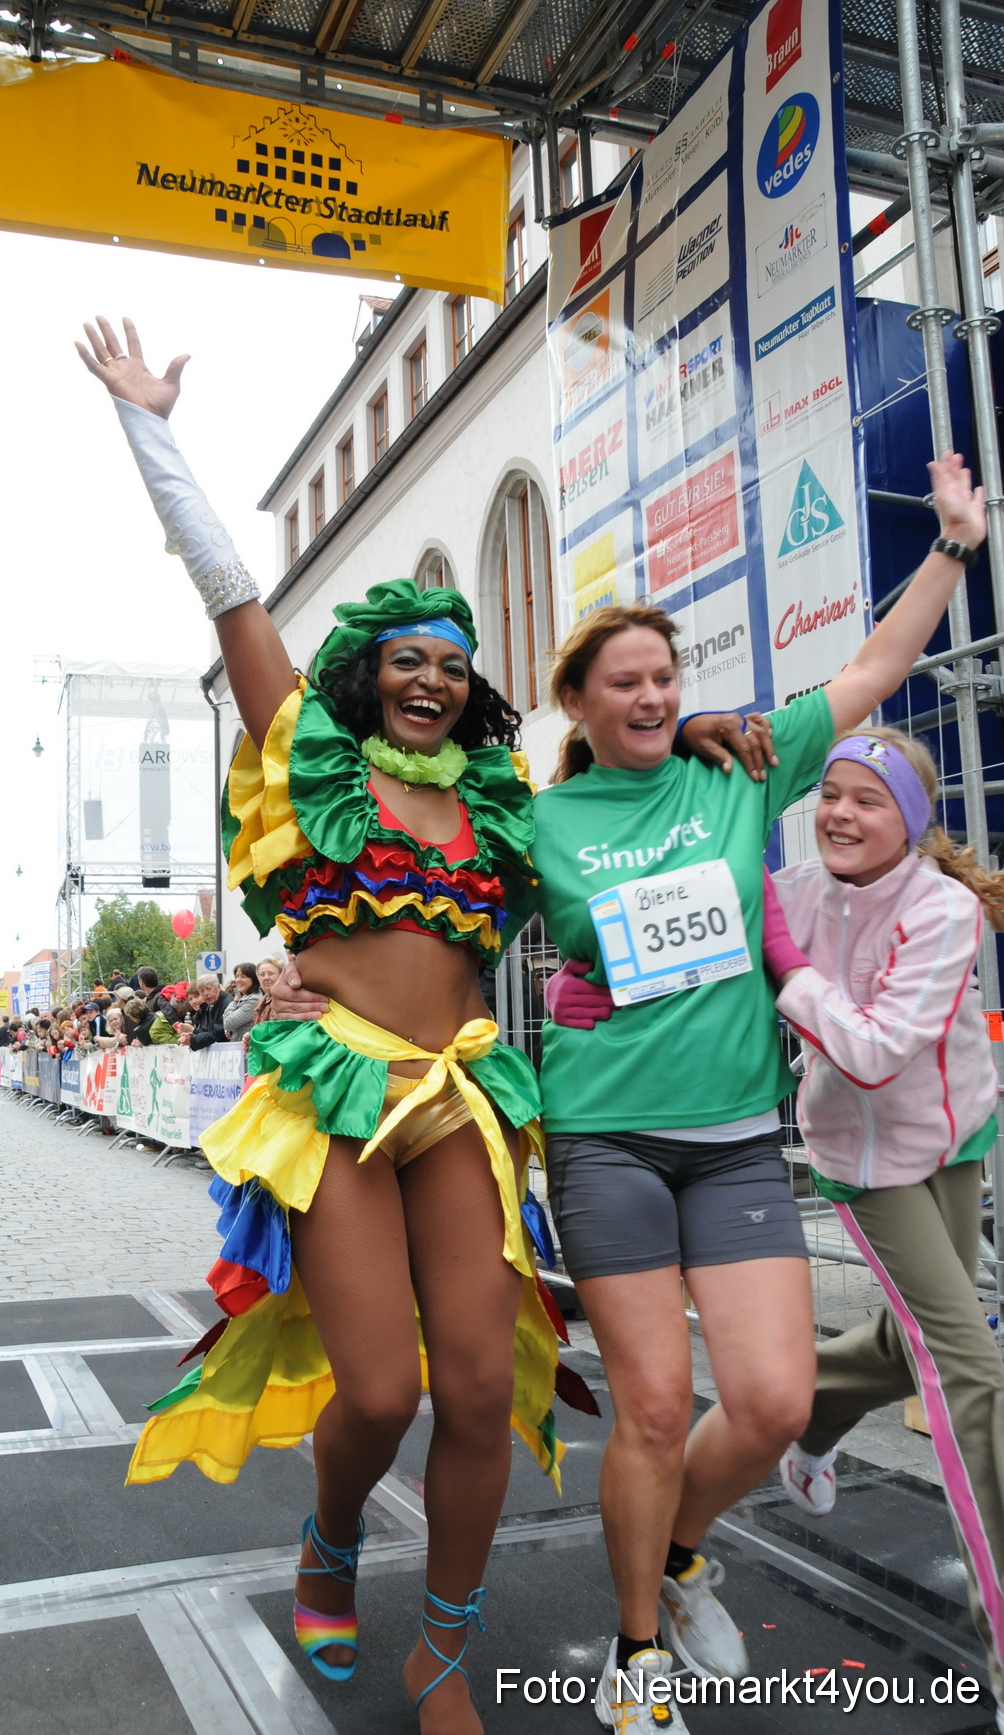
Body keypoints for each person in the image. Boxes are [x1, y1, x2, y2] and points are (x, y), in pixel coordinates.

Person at [76, 315, 772, 1732]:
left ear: (474, 689)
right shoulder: (310, 756)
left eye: (451, 664)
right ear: (365, 674)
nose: (431, 676)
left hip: (460, 1093)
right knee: (380, 1386)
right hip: (337, 1089)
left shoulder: (507, 805)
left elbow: (617, 772)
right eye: (405, 657)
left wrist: (691, 731)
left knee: (474, 1382)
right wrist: (150, 424)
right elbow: (228, 585)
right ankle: (331, 1532)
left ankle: (441, 1649)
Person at [535, 454, 986, 1732]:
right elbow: (447, 928)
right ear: (577, 700)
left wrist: (951, 546)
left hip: (736, 1140)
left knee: (778, 1399)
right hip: (606, 1132)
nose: (651, 695)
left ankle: (674, 1549)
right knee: (659, 1406)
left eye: (665, 679)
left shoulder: (736, 767)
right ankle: (637, 1658)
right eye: (623, 683)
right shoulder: (544, 821)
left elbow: (873, 673)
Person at [755, 725, 1004, 1725]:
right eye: (830, 796)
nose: (840, 814)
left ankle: (804, 1410)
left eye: (867, 799)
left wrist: (786, 969)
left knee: (917, 1341)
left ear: (909, 818)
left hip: (950, 1136)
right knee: (970, 1369)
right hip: (862, 1164)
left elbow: (882, 1047)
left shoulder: (941, 906)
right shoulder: (791, 893)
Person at [177, 974, 230, 1050]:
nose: (206, 993)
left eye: (208, 989)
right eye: (202, 991)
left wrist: (192, 1038)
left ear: (218, 987)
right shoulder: (209, 1006)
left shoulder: (227, 1004)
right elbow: (206, 1032)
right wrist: (191, 1036)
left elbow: (217, 1034)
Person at [222, 963, 262, 1041]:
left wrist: (235, 1001)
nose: (239, 980)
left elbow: (228, 1023)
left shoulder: (254, 1000)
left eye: (243, 977)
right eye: (237, 976)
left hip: (248, 1048)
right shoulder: (244, 997)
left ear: (254, 979)